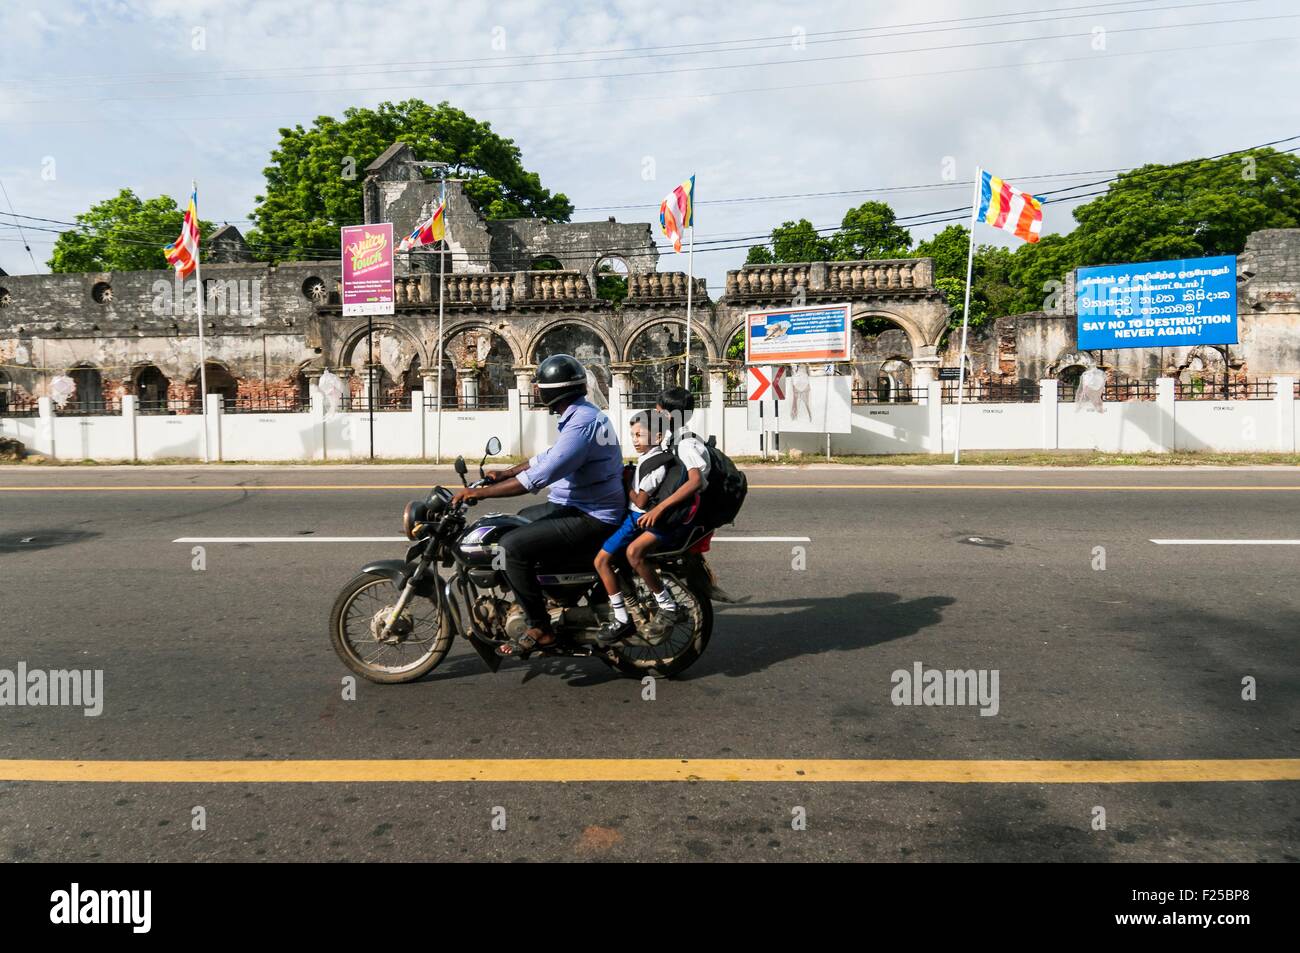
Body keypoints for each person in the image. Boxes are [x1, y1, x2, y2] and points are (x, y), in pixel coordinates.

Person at [450, 354, 625, 658]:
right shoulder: (579, 414)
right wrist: (505, 472)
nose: (535, 389)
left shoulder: (582, 423)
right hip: (580, 505)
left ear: (552, 391)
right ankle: (547, 596)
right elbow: (548, 457)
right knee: (517, 521)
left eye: (539, 385)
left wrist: (479, 494)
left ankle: (540, 627)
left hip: (591, 514)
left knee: (510, 548)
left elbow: (539, 477)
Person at [592, 410, 693, 645]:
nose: (635, 440)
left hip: (638, 520)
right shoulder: (649, 459)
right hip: (636, 518)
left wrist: (624, 481)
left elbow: (640, 502)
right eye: (632, 435)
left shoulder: (655, 464)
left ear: (657, 437)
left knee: (601, 561)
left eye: (639, 435)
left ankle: (621, 616)